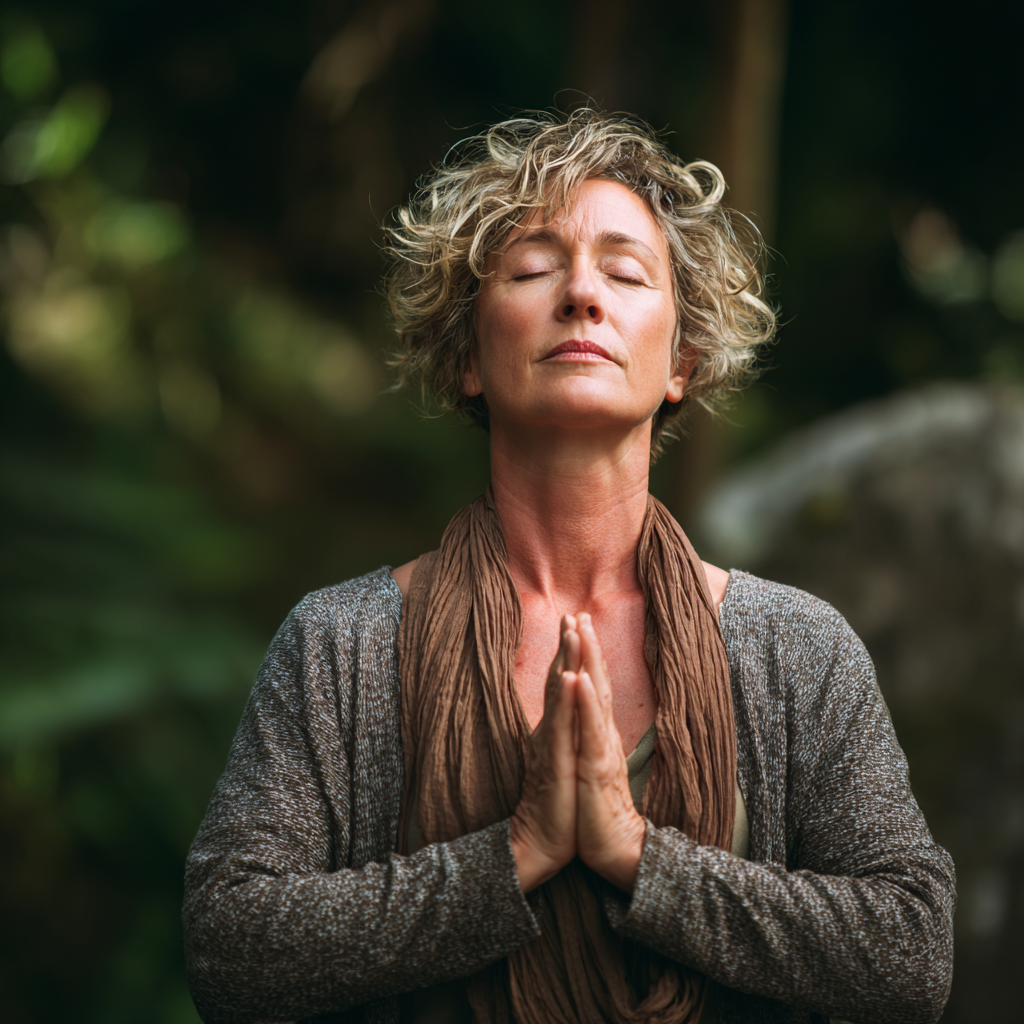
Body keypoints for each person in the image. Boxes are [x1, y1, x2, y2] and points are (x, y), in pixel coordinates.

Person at [183, 110, 955, 1024]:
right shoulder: (342, 644)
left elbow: (910, 953)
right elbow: (229, 943)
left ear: (683, 361)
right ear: (468, 355)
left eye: (626, 273)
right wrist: (511, 857)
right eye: (534, 268)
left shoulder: (794, 647)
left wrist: (636, 856)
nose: (582, 294)